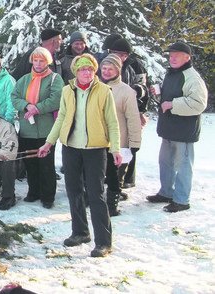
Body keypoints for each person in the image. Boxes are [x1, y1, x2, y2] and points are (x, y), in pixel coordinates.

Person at [37, 53, 122, 258]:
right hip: (71, 147)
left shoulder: (103, 91)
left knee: (96, 194)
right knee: (74, 191)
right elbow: (62, 118)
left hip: (96, 149)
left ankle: (103, 242)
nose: (87, 73)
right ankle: (80, 232)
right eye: (83, 69)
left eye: (90, 69)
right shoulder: (68, 90)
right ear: (76, 71)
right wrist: (49, 143)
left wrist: (116, 148)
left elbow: (112, 121)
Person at [146, 41, 208, 213]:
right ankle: (166, 192)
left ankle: (181, 200)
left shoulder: (192, 77)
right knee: (165, 163)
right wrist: (159, 92)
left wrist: (173, 104)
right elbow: (169, 96)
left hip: (184, 131)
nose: (172, 58)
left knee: (183, 166)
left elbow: (199, 104)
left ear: (187, 57)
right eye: (171, 55)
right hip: (168, 128)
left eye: (176, 55)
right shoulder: (172, 74)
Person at [11, 47, 63, 209]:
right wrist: (26, 106)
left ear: (47, 62)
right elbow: (14, 97)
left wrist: (37, 108)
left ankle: (48, 196)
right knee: (30, 163)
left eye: (42, 60)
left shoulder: (55, 79)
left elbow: (56, 99)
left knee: (46, 164)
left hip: (46, 129)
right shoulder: (24, 79)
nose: (38, 64)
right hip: (27, 128)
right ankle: (33, 192)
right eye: (36, 60)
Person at [100, 54, 142, 215]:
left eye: (110, 69)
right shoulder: (96, 86)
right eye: (104, 68)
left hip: (119, 141)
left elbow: (133, 119)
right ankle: (92, 198)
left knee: (115, 176)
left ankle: (112, 204)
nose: (107, 71)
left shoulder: (126, 91)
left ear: (118, 70)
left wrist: (134, 143)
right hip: (98, 139)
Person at [107, 38, 150, 188]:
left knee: (130, 144)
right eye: (116, 53)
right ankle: (112, 179)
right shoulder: (107, 65)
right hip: (113, 110)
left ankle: (127, 179)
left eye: (123, 54)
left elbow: (144, 86)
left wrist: (141, 109)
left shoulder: (135, 65)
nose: (120, 57)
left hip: (132, 107)